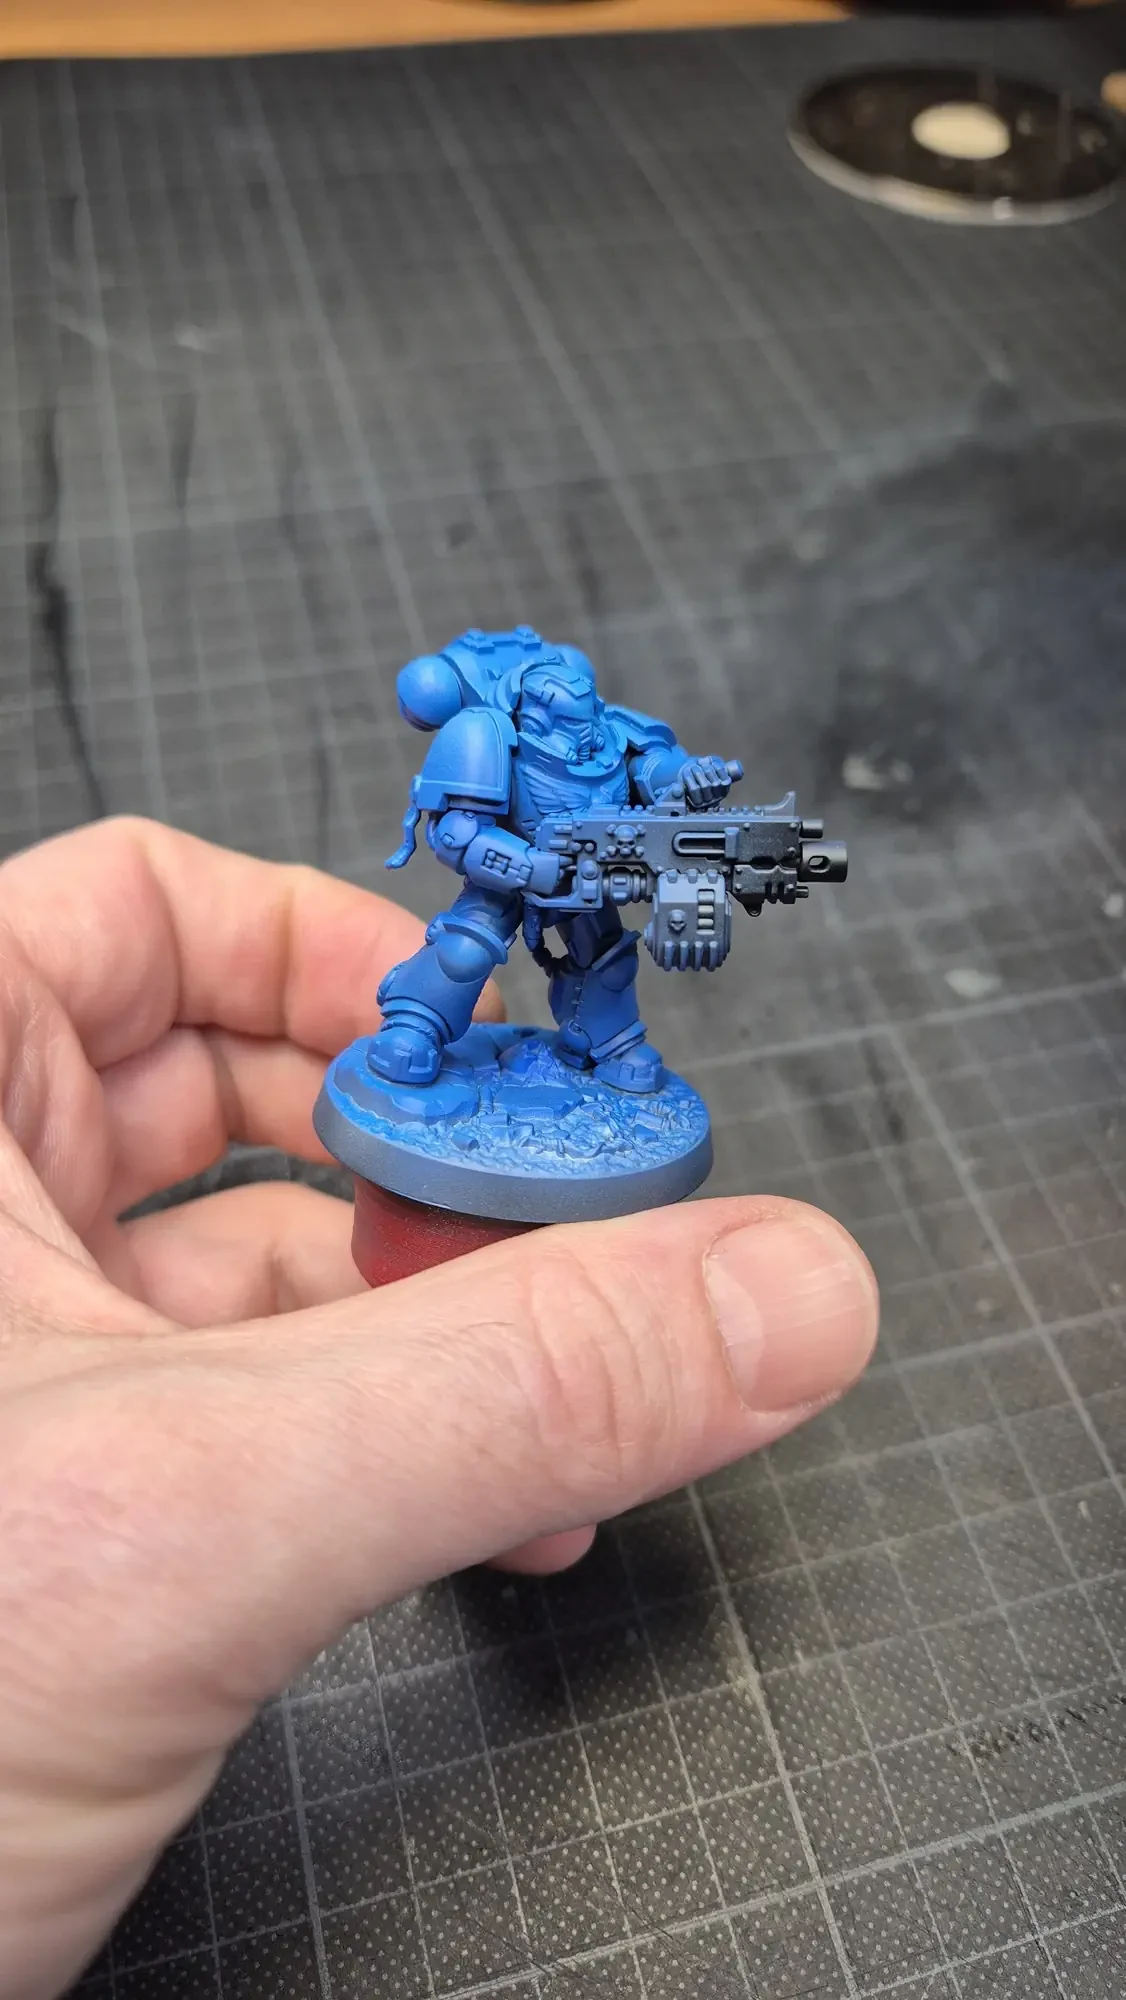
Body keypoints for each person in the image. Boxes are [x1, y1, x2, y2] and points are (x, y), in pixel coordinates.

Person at [0, 817, 878, 2000]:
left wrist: (687, 875)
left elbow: (669, 813)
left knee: (598, 960)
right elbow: (461, 826)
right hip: (495, 905)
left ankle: (612, 1050)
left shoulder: (611, 750)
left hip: (580, 910)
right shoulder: (491, 736)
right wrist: (527, 866)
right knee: (461, 951)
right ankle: (416, 1036)